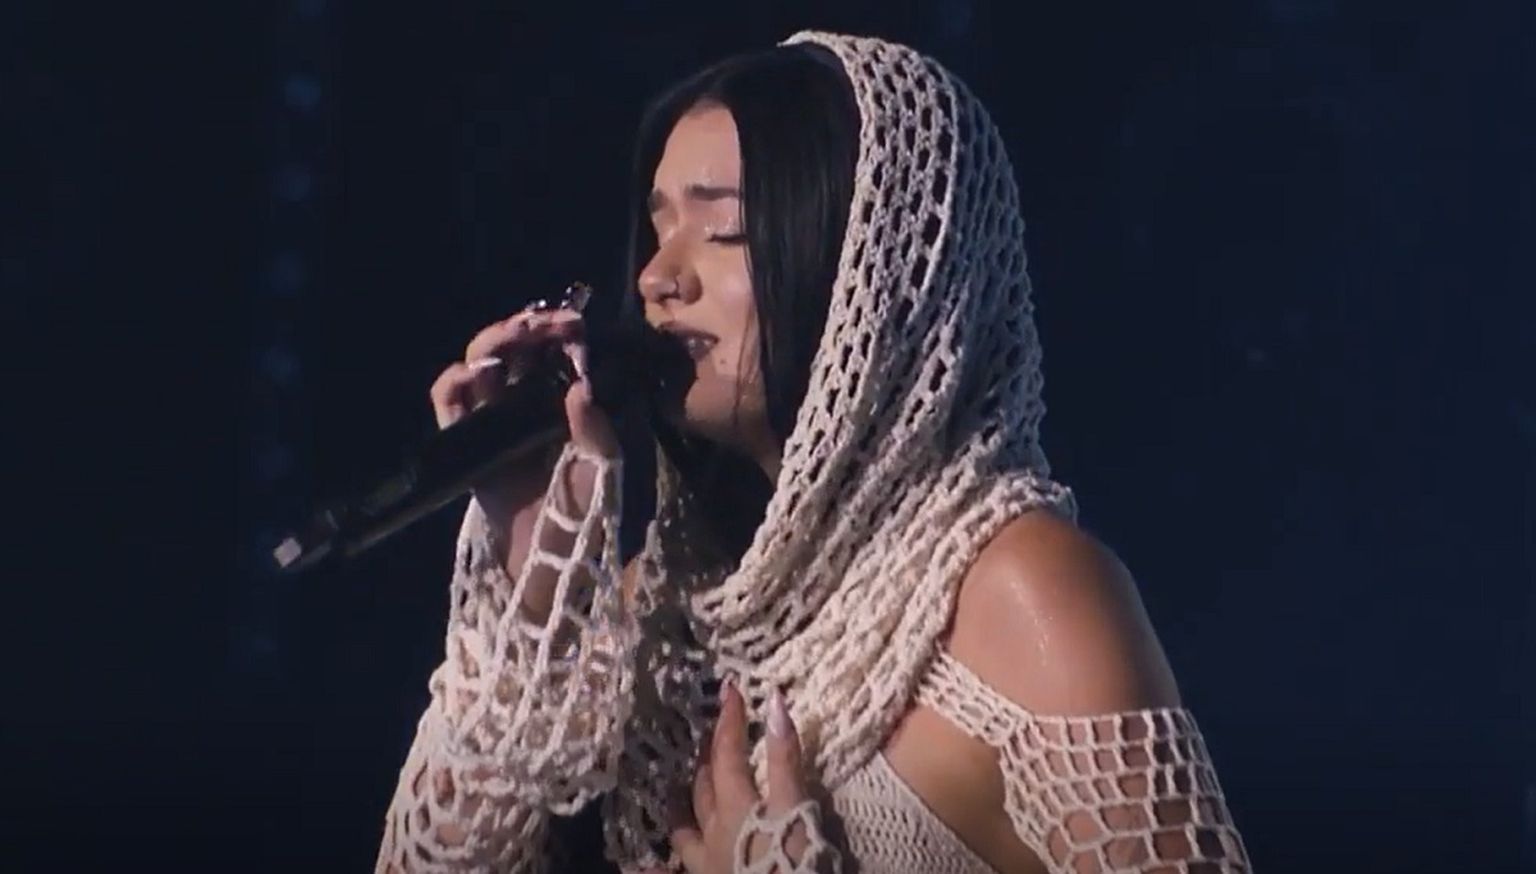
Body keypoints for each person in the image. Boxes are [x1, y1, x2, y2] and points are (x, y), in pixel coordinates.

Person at [376, 30, 1253, 874]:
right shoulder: (660, 613)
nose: (656, 277)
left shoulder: (1021, 594)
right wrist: (531, 585)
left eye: (724, 230)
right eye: (658, 228)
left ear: (880, 273)